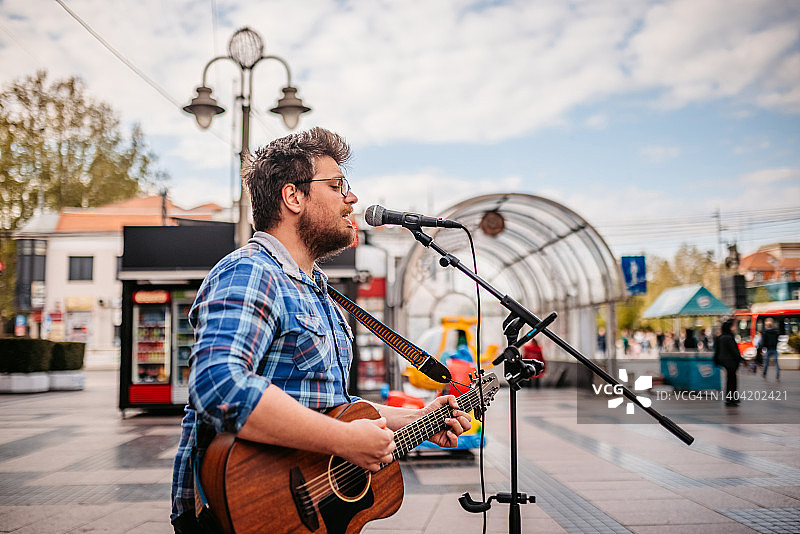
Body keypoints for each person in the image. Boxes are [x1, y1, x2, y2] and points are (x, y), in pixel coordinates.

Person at [170, 128, 470, 533]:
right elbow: (219, 385)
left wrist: (416, 419)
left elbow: (327, 405)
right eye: (337, 185)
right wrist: (343, 441)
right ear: (293, 197)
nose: (352, 199)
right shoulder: (252, 272)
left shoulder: (318, 291)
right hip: (242, 513)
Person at [713, 319, 745, 406]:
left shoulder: (720, 337)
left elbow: (717, 350)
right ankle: (732, 398)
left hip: (724, 361)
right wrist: (740, 358)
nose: (734, 328)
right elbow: (734, 351)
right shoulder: (729, 337)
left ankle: (730, 398)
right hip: (731, 362)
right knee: (732, 380)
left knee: (729, 380)